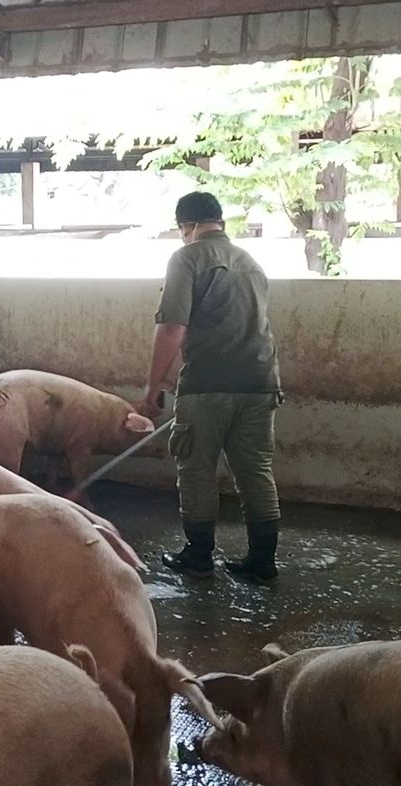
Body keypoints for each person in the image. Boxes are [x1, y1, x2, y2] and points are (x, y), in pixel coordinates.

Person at [141, 191, 283, 581]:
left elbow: (172, 326)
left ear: (186, 226)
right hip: (261, 381)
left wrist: (153, 386)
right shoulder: (250, 262)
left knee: (197, 468)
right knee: (256, 469)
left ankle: (199, 555)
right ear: (219, 221)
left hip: (208, 383)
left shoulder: (187, 258)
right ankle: (262, 560)